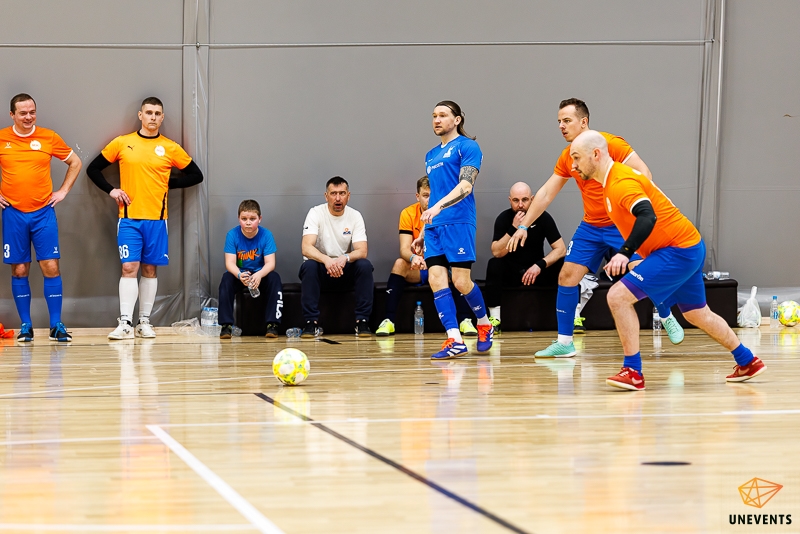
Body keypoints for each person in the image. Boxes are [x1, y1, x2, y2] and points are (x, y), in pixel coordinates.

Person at [570, 130, 764, 390]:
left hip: (677, 251)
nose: (573, 165)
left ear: (595, 154)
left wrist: (624, 252)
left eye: (576, 157)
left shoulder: (620, 182)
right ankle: (747, 360)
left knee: (617, 297)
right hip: (688, 246)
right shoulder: (610, 182)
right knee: (697, 314)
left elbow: (647, 216)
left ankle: (633, 371)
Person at [508, 98, 684, 357]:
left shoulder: (612, 144)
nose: (561, 126)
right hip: (591, 227)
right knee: (567, 276)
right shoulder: (568, 156)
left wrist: (633, 206)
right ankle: (565, 343)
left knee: (640, 269)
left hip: (620, 223)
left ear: (584, 122)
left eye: (566, 120)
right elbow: (545, 193)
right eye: (559, 121)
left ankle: (666, 313)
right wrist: (523, 226)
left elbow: (644, 173)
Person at [87, 96, 203, 340]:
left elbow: (196, 175)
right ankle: (125, 323)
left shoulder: (170, 147)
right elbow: (93, 169)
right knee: (129, 267)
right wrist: (112, 190)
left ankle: (144, 322)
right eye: (148, 112)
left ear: (162, 118)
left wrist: (168, 184)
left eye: (157, 113)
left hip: (157, 220)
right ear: (140, 115)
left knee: (150, 269)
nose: (153, 117)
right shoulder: (123, 142)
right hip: (129, 218)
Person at [412, 100, 493, 359]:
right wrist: (423, 232)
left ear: (457, 120)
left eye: (443, 115)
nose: (437, 120)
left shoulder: (468, 146)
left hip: (458, 221)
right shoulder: (430, 155)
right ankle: (454, 339)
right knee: (436, 280)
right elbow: (435, 193)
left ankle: (484, 324)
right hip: (434, 226)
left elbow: (466, 186)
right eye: (434, 115)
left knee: (460, 281)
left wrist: (437, 208)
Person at [0, 93, 82, 342]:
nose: (28, 117)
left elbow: (75, 162)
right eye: (23, 113)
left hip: (43, 213)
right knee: (19, 269)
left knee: (51, 266)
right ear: (12, 114)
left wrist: (63, 191)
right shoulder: (2, 138)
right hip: (13, 213)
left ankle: (56, 325)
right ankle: (26, 325)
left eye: (32, 112)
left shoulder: (49, 137)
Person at [375, 176, 476, 337]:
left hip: (440, 267)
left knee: (458, 267)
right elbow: (404, 249)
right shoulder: (408, 213)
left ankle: (465, 320)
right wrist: (413, 258)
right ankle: (389, 320)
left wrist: (433, 261)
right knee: (399, 264)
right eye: (425, 195)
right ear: (418, 196)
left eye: (433, 195)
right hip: (418, 267)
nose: (429, 200)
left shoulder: (446, 213)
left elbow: (451, 249)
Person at [485, 181, 566, 330]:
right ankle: (495, 320)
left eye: (525, 200)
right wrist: (513, 228)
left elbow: (561, 249)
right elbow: (496, 252)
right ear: (510, 200)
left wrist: (540, 265)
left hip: (536, 272)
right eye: (516, 200)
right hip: (513, 273)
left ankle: (574, 318)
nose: (520, 205)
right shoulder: (504, 218)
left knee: (565, 263)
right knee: (494, 264)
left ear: (532, 199)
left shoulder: (543, 217)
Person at [300, 176, 373, 337]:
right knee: (309, 266)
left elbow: (362, 251)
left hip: (343, 269)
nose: (338, 198)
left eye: (342, 193)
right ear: (326, 196)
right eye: (333, 193)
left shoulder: (355, 216)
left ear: (348, 195)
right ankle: (311, 323)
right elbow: (306, 247)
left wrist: (344, 258)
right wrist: (327, 260)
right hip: (322, 269)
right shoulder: (315, 213)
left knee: (364, 265)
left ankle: (362, 322)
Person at [218, 199, 283, 339]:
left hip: (260, 274)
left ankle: (272, 325)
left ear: (260, 219)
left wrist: (259, 275)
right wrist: (239, 275)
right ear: (238, 219)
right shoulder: (232, 235)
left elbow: (270, 263)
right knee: (226, 279)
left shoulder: (266, 235)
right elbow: (229, 263)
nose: (248, 222)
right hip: (240, 275)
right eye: (244, 219)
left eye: (252, 219)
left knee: (274, 278)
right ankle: (226, 326)